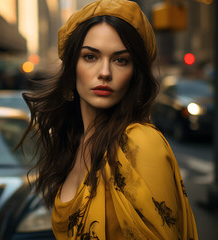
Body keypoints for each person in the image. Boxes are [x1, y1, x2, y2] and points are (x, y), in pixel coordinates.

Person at [19, 0, 198, 239]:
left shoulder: (140, 143)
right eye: (91, 57)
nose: (105, 72)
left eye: (120, 60)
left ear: (134, 74)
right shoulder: (73, 144)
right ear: (73, 67)